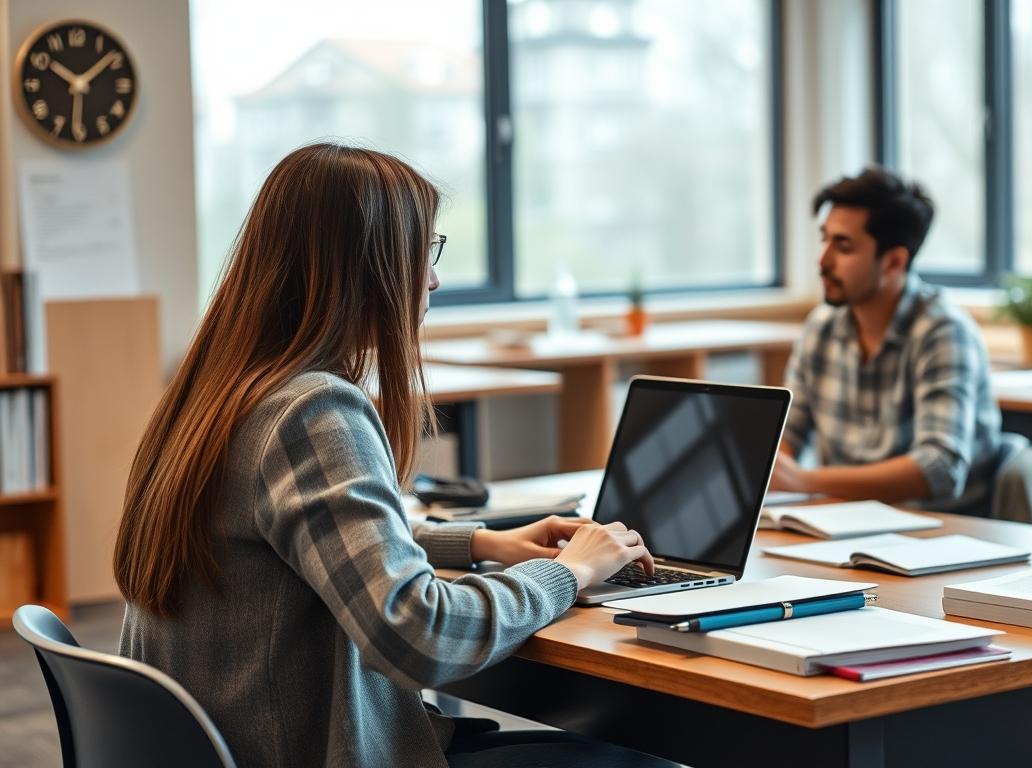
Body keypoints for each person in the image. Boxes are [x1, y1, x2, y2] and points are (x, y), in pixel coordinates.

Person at [114, 143, 671, 768]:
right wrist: (569, 572)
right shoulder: (311, 410)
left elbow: (301, 541)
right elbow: (419, 633)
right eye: (423, 250)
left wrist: (482, 544)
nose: (432, 278)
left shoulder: (211, 394)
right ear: (367, 262)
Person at [769, 167, 1002, 512]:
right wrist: (773, 469)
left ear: (894, 262)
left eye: (843, 246)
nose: (822, 260)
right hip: (845, 522)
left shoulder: (944, 331)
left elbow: (940, 468)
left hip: (939, 531)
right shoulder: (820, 327)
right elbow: (786, 439)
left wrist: (804, 481)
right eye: (825, 239)